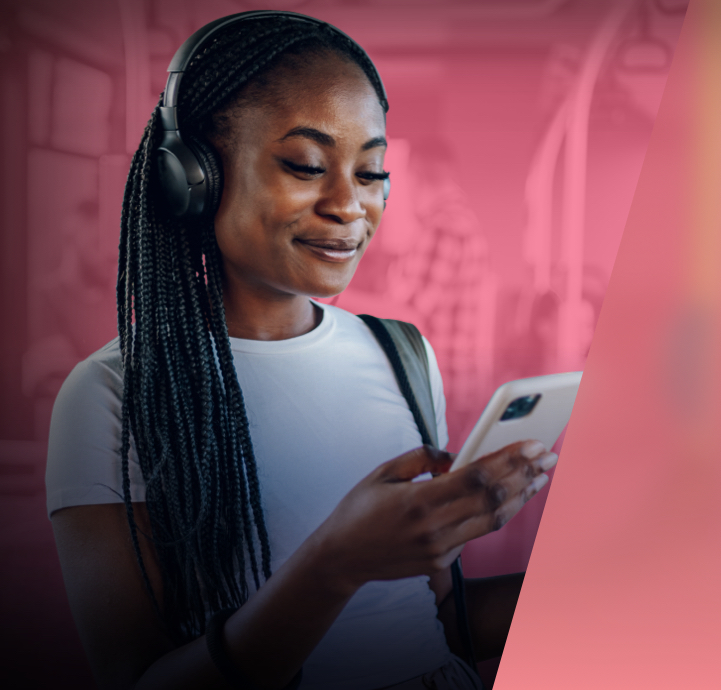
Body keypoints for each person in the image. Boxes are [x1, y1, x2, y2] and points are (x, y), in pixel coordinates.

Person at [46, 12, 557, 690]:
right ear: (193, 176)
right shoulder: (113, 395)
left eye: (371, 171)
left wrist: (607, 581)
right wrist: (335, 565)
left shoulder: (401, 353)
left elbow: (437, 623)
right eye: (306, 165)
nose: (349, 204)